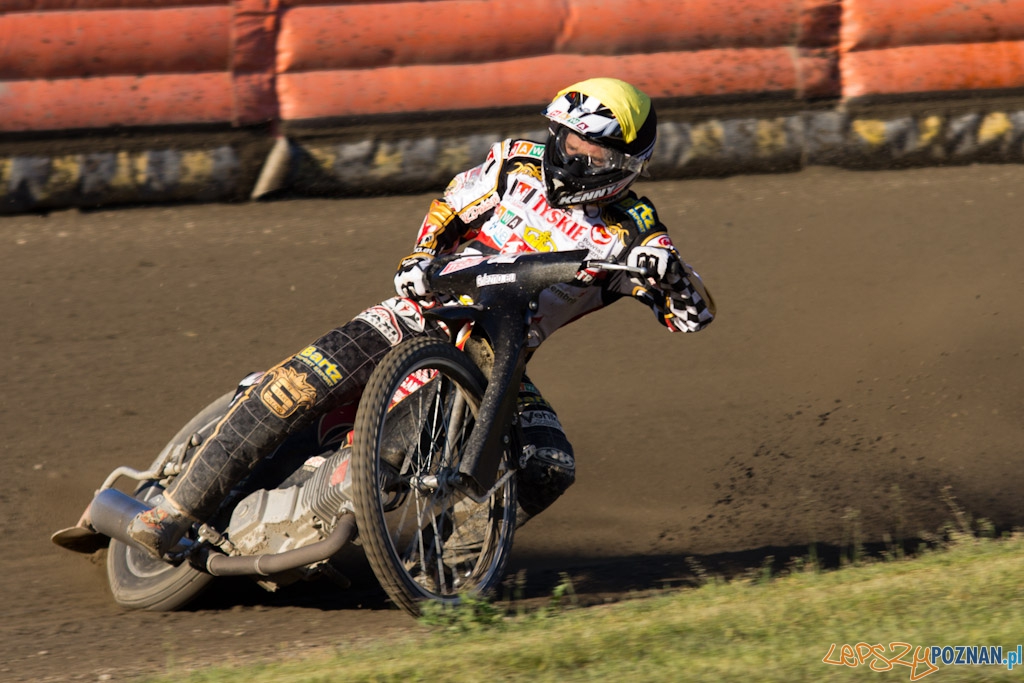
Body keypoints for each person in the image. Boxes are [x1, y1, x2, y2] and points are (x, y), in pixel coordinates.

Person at [126, 77, 716, 558]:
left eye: (594, 152)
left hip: (493, 359)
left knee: (546, 465)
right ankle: (175, 509)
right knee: (297, 385)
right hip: (420, 312)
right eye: (568, 141)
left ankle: (444, 563)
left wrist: (669, 273)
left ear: (628, 163)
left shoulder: (636, 229)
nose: (574, 157)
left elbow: (691, 318)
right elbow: (452, 201)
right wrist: (420, 256)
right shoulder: (516, 163)